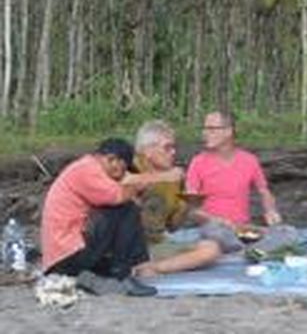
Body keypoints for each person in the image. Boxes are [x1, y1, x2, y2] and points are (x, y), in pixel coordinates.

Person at [41, 138, 182, 296]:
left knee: (124, 209)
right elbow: (117, 196)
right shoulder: (87, 169)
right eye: (120, 170)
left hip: (64, 254)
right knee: (126, 208)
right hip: (66, 254)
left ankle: (112, 272)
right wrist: (162, 177)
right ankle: (122, 275)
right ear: (111, 159)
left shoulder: (86, 167)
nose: (120, 176)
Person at [129, 120, 222, 277]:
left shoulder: (172, 178)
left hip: (155, 243)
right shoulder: (130, 168)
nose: (173, 152)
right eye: (167, 147)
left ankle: (154, 268)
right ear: (147, 151)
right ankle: (150, 266)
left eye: (173, 147)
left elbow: (172, 226)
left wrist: (187, 204)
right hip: (128, 245)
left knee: (211, 247)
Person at [186, 111, 282, 230]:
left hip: (242, 229)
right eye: (204, 129)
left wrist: (271, 210)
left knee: (287, 233)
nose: (204, 133)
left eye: (211, 129)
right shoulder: (197, 163)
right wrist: (214, 220)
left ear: (228, 132)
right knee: (219, 236)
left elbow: (264, 192)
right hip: (212, 230)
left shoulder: (250, 160)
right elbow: (192, 209)